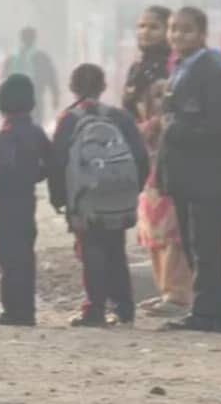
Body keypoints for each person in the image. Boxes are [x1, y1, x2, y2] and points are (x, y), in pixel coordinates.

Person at [156, 7, 221, 334]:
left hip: (207, 174)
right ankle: (210, 310)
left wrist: (177, 128)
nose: (178, 36)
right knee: (192, 244)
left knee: (206, 246)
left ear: (202, 34)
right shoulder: (179, 68)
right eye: (174, 29)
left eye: (186, 30)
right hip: (183, 172)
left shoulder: (214, 71)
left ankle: (210, 314)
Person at [48, 64, 149, 327]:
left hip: (86, 199)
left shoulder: (69, 119)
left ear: (72, 87)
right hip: (119, 195)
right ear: (103, 86)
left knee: (91, 248)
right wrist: (131, 190)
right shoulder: (120, 117)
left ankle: (95, 309)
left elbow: (57, 162)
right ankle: (124, 308)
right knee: (116, 248)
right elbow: (140, 156)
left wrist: (59, 199)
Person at [123, 6, 192, 319]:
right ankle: (163, 288)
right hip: (144, 155)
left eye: (153, 27)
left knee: (172, 225)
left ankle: (178, 294)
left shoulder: (174, 67)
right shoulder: (139, 69)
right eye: (141, 26)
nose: (145, 33)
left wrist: (149, 127)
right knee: (151, 224)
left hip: (170, 154)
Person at [0, 74, 49, 327]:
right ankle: (26, 309)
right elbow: (49, 161)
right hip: (26, 198)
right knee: (24, 254)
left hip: (9, 201)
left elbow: (5, 165)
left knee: (9, 256)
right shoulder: (34, 129)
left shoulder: (9, 130)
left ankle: (14, 310)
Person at [6, 27, 59, 126]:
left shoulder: (12, 57)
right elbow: (51, 77)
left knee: (16, 127)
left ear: (20, 39)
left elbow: (4, 79)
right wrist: (55, 96)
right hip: (35, 98)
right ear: (35, 39)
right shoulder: (41, 56)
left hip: (15, 99)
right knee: (35, 126)